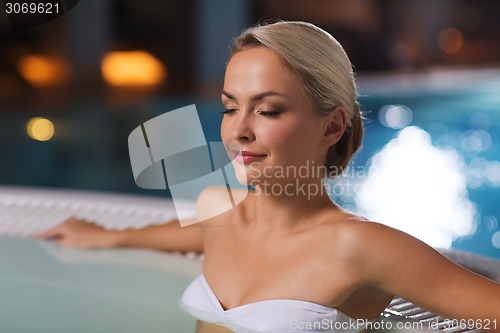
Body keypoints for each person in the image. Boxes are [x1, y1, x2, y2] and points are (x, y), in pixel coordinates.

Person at [37, 21, 500, 333]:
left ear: (332, 126)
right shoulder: (217, 208)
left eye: (268, 109)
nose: (239, 129)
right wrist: (105, 238)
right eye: (229, 107)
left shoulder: (360, 248)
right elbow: (196, 233)